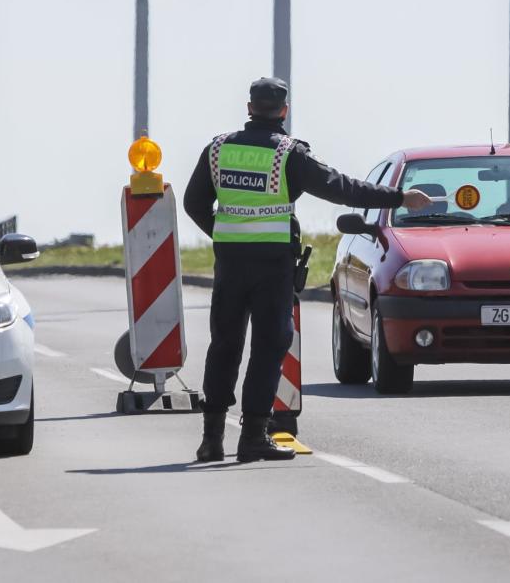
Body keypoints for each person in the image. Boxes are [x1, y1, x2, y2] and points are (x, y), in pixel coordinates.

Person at [183, 78, 431, 463]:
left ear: (249, 108)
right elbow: (342, 188)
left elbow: (193, 202)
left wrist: (224, 234)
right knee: (269, 347)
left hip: (230, 264)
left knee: (224, 345)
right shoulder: (288, 154)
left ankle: (211, 439)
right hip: (272, 266)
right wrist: (398, 197)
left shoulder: (218, 150)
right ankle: (252, 438)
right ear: (283, 111)